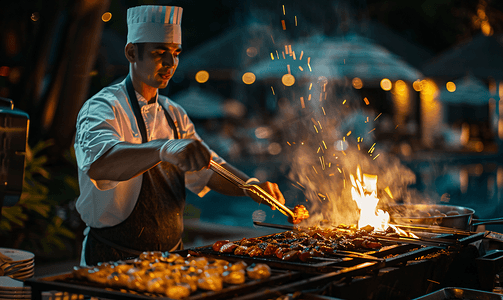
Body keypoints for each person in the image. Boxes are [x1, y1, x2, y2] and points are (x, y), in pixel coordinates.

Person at [74, 5, 286, 266]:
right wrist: (163, 149)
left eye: (175, 53)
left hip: (170, 260)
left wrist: (250, 186)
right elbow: (100, 164)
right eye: (158, 53)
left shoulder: (174, 114)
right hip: (113, 259)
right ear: (132, 52)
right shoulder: (102, 107)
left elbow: (210, 169)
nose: (170, 63)